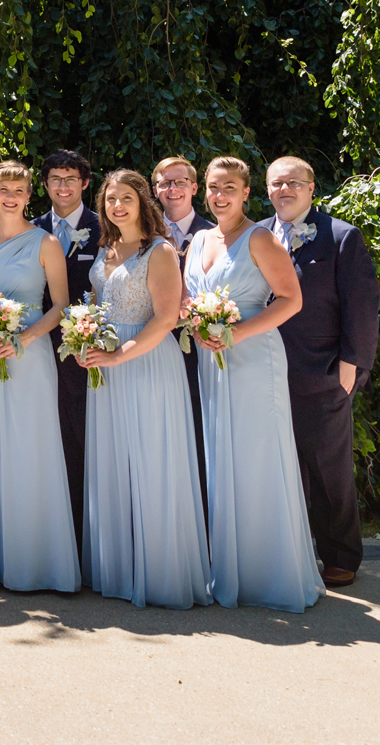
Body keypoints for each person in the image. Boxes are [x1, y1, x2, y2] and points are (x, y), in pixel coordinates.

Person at [187, 156, 324, 612]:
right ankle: (229, 570)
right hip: (212, 361)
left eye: (229, 187)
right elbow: (190, 302)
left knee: (259, 460)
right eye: (212, 187)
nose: (219, 195)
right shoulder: (198, 240)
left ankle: (272, 576)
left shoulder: (260, 238)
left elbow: (291, 299)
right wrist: (196, 324)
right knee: (221, 458)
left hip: (253, 361)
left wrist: (234, 333)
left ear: (247, 193)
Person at [78, 170, 211, 608]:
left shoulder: (160, 251)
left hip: (147, 361)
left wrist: (120, 354)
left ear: (142, 202)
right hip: (107, 368)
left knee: (152, 461)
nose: (118, 206)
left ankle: (160, 575)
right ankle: (119, 570)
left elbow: (166, 318)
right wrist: (87, 342)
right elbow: (100, 306)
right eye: (110, 199)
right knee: (115, 460)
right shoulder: (106, 248)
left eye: (126, 198)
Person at [258, 155, 380, 589]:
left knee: (328, 471)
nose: (284, 190)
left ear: (312, 189)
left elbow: (363, 308)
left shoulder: (341, 237)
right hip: (262, 373)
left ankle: (340, 555)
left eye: (294, 182)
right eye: (276, 183)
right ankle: (287, 553)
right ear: (267, 189)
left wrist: (351, 368)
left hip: (322, 374)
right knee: (275, 467)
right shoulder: (257, 236)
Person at [0, 160, 79, 594]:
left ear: (29, 195)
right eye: (3, 189)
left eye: (19, 190)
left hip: (31, 356)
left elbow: (61, 305)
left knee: (33, 446)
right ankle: (0, 558)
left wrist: (25, 337)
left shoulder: (46, 242)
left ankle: (40, 561)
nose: (11, 197)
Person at [34, 149, 99, 550]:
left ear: (85, 184)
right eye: (55, 178)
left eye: (70, 179)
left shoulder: (105, 225)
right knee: (47, 442)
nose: (62, 186)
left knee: (86, 443)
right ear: (45, 185)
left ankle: (86, 540)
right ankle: (52, 539)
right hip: (38, 353)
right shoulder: (30, 229)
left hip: (88, 356)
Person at [153, 155, 213, 508]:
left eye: (179, 182)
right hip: (155, 349)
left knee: (201, 437)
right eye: (164, 183)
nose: (172, 189)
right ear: (156, 189)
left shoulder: (212, 232)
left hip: (203, 350)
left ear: (193, 187)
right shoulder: (144, 233)